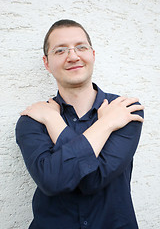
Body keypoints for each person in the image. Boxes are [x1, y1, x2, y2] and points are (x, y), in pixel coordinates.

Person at [16, 19, 144, 229]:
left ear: (92, 55)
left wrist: (53, 121)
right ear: (46, 63)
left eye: (81, 47)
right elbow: (52, 181)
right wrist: (107, 125)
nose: (73, 56)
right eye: (60, 51)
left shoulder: (125, 110)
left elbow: (93, 180)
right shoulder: (33, 119)